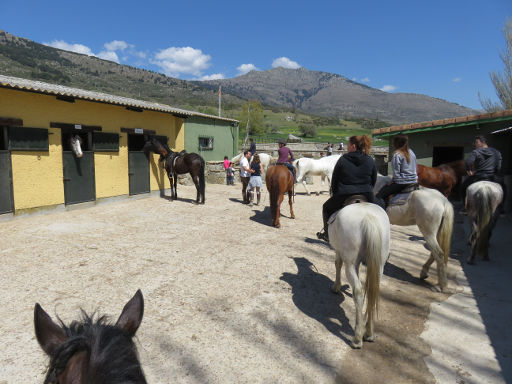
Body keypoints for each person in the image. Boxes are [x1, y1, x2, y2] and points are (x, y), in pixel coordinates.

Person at [316, 135, 379, 242]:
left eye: (348, 145)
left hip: (345, 194)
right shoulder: (370, 159)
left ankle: (327, 235)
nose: (346, 148)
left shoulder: (343, 159)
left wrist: (335, 193)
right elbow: (374, 179)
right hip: (367, 194)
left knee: (326, 208)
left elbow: (335, 180)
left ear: (353, 146)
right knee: (381, 210)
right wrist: (368, 190)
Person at [461, 135, 505, 209]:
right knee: (504, 188)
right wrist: (495, 173)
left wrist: (469, 170)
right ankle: (501, 208)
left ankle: (465, 207)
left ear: (483, 142)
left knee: (463, 187)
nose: (475, 144)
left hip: (478, 176)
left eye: (476, 142)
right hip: (492, 176)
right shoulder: (497, 152)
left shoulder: (476, 152)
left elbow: (468, 162)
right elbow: (498, 166)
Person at [375, 134, 418, 208]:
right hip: (414, 181)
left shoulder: (397, 155)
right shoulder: (412, 152)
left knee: (379, 195)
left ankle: (382, 212)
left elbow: (396, 174)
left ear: (396, 143)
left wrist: (391, 182)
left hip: (402, 183)